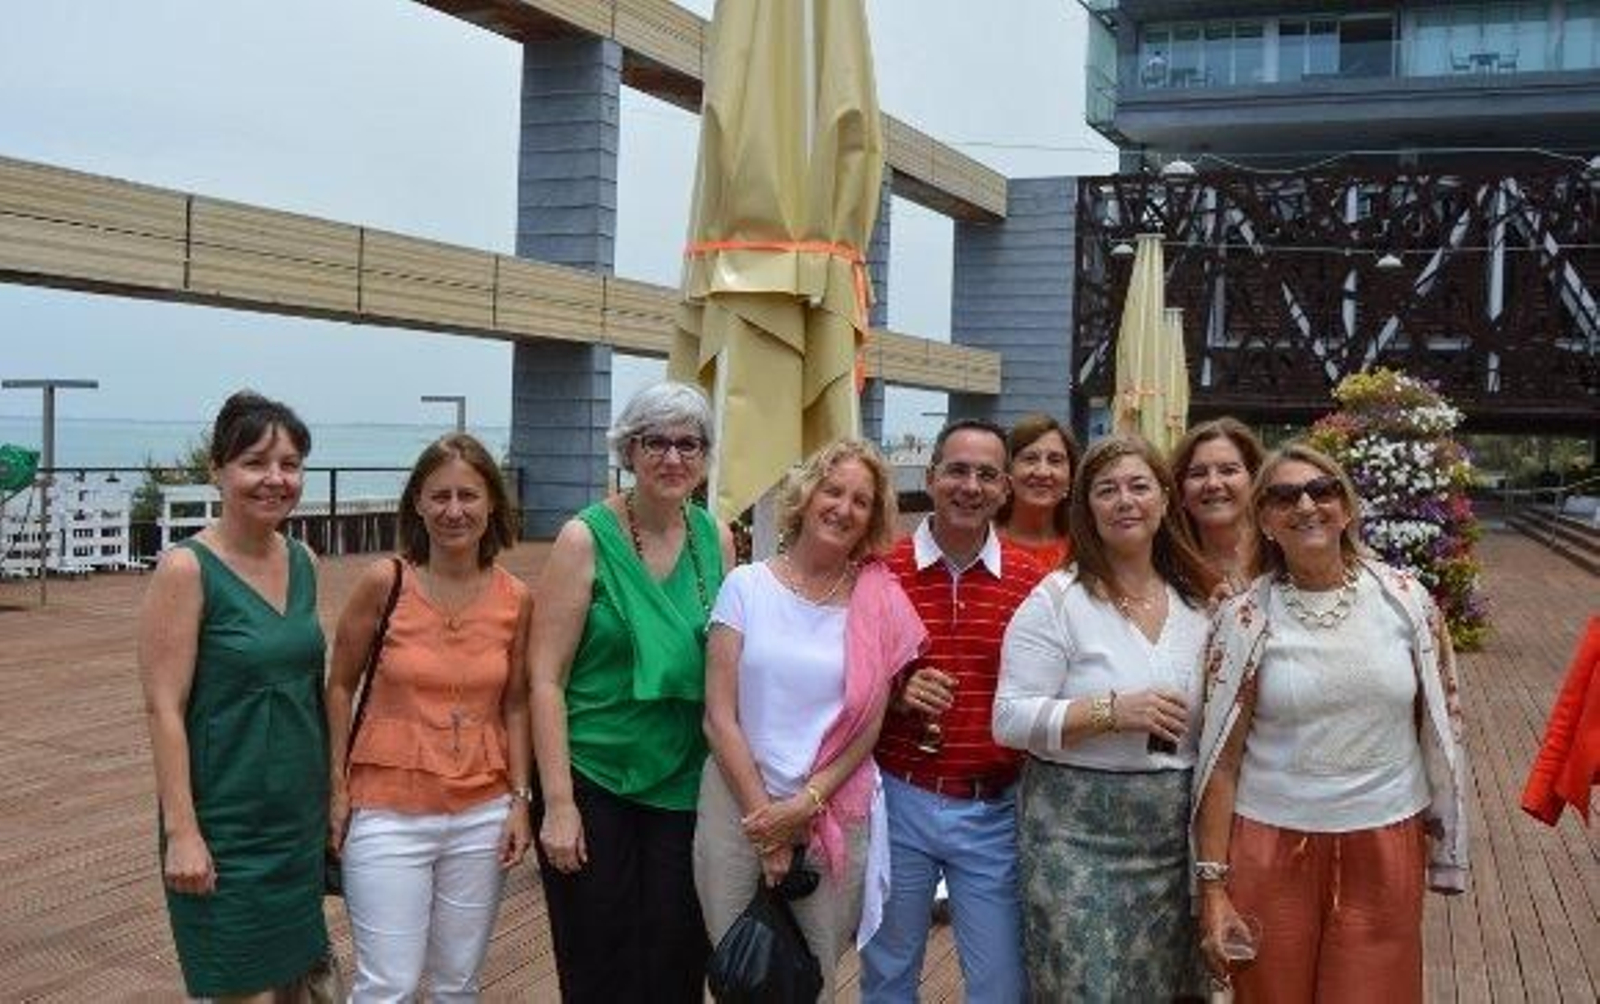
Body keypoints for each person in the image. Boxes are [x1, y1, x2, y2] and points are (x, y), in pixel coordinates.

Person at [1193, 443, 1469, 1002]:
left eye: (1323, 491)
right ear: (1265, 520)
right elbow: (1220, 764)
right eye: (1284, 495)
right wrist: (1214, 888)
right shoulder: (1243, 618)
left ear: (1346, 509)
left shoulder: (1408, 603)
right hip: (1269, 844)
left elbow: (1439, 728)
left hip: (1384, 837)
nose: (1306, 505)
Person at [696, 439, 926, 1000]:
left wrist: (805, 805)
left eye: (861, 501)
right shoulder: (746, 586)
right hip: (736, 803)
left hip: (832, 810)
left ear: (873, 518)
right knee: (737, 973)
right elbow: (718, 717)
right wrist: (765, 822)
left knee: (812, 978)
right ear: (807, 495)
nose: (843, 508)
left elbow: (869, 726)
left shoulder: (879, 602)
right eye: (833, 490)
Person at [530, 381, 735, 1002]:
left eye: (688, 444)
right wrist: (558, 804)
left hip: (683, 782)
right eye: (656, 443)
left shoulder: (716, 538)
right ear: (629, 449)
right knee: (599, 958)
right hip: (596, 780)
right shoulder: (583, 539)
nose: (673, 459)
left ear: (704, 456)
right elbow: (545, 679)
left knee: (677, 955)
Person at [995, 434, 1216, 1000]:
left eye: (1139, 486)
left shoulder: (1198, 603)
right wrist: (1108, 711)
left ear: (1166, 499)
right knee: (1086, 989)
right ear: (1086, 507)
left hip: (1171, 837)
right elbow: (1009, 719)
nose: (1125, 501)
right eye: (1107, 490)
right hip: (1074, 836)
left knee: (1168, 988)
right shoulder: (1057, 600)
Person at [138, 390, 338, 1000]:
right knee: (234, 988)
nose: (275, 479)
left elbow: (312, 689)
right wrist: (183, 833)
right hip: (224, 827)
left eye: (290, 464)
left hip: (295, 823)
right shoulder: (186, 569)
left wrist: (334, 797)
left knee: (295, 987)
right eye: (255, 462)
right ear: (217, 470)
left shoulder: (303, 559)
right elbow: (164, 709)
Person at [325, 433, 533, 1001]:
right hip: (388, 809)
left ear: (492, 503)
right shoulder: (385, 582)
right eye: (439, 496)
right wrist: (337, 789)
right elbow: (339, 685)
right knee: (385, 983)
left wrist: (521, 800)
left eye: (469, 495)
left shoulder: (517, 598)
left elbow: (516, 702)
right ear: (417, 502)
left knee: (456, 984)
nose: (454, 510)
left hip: (482, 812)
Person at [859, 418, 1046, 1004]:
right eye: (957, 470)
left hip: (992, 803)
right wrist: (896, 693)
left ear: (1006, 488)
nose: (971, 485)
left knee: (1000, 985)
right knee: (888, 975)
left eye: (987, 474)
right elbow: (843, 683)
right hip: (899, 797)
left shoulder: (1031, 581)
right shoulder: (878, 571)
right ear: (932, 475)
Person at [1169, 417, 1265, 593]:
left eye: (1228, 470)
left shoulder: (1284, 557)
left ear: (1255, 481)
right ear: (1180, 491)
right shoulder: (1165, 573)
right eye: (1198, 474)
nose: (1213, 484)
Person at [997, 412, 1082, 572]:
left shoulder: (1086, 549)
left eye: (1055, 460)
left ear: (1071, 477)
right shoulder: (981, 543)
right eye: (1030, 459)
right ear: (1008, 471)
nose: (1042, 472)